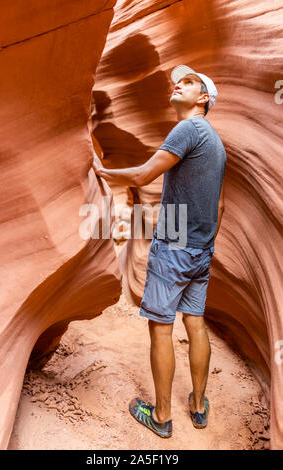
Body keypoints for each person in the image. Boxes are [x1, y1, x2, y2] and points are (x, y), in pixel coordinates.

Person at [93, 65, 226, 438]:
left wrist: (103, 172)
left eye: (188, 83)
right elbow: (220, 206)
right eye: (177, 80)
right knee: (195, 323)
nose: (178, 84)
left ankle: (162, 417)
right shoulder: (215, 142)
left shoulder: (188, 129)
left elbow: (141, 177)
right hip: (200, 249)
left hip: (174, 247)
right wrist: (204, 242)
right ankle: (199, 406)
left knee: (161, 329)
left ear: (203, 99)